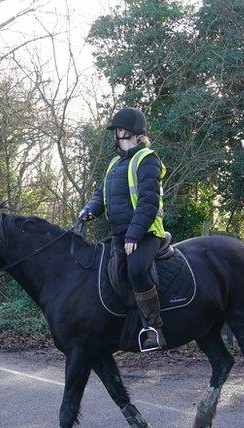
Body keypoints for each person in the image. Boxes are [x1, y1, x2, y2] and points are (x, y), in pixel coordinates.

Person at [79, 107, 168, 351]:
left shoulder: (147, 159)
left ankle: (153, 327)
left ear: (132, 132)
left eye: (121, 129)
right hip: (120, 234)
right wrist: (89, 209)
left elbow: (149, 202)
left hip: (146, 233)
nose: (117, 133)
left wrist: (134, 234)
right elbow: (102, 194)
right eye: (117, 130)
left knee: (136, 269)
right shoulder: (115, 163)